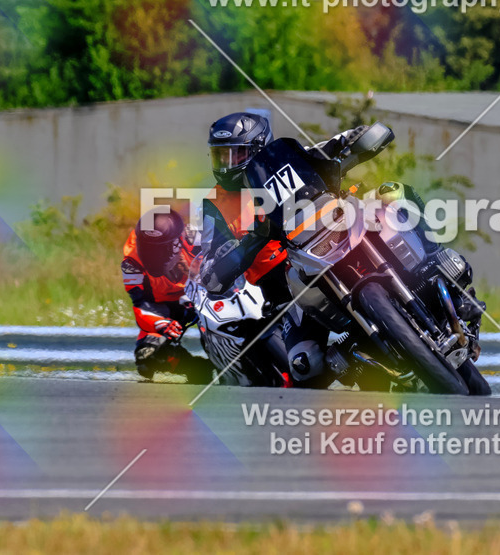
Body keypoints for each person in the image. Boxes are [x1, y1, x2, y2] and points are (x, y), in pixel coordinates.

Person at [199, 112, 484, 388]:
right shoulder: (216, 203)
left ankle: (440, 266)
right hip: (290, 290)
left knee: (393, 192)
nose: (226, 164)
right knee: (303, 366)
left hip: (336, 232)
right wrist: (233, 255)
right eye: (220, 155)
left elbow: (336, 145)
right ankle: (360, 382)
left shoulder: (288, 161)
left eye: (234, 154)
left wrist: (356, 139)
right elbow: (209, 263)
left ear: (258, 148)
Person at [121, 208, 214, 384]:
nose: (155, 255)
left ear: (178, 241)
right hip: (164, 306)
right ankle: (196, 368)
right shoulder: (131, 262)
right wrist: (161, 323)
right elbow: (140, 302)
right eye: (148, 248)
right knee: (147, 358)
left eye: (162, 248)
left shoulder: (195, 237)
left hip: (206, 294)